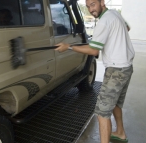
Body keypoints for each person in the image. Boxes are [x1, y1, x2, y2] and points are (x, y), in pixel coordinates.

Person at [55, 0, 135, 143]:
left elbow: (93, 50)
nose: (91, 9)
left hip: (116, 71)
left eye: (93, 4)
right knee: (116, 103)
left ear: (102, 2)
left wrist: (68, 47)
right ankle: (121, 133)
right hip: (127, 67)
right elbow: (127, 28)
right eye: (88, 6)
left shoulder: (104, 21)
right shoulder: (115, 14)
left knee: (102, 113)